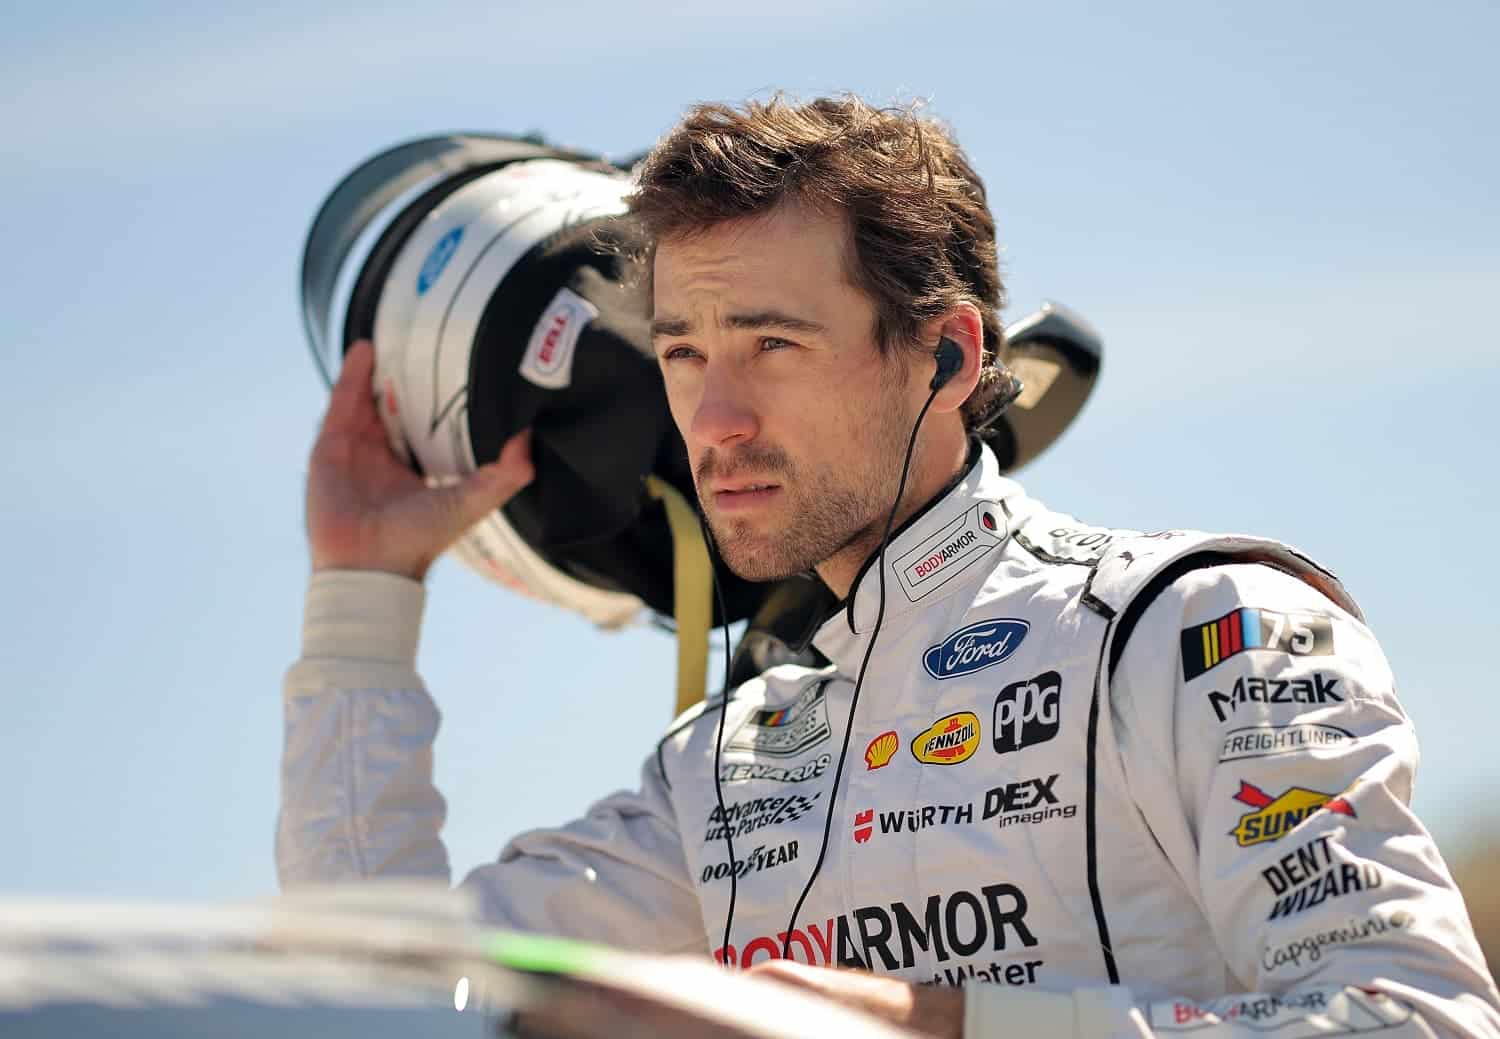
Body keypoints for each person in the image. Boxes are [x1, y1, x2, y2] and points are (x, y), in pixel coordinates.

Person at [279, 95, 1500, 1038]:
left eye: (772, 342)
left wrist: (934, 1022)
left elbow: (1415, 1020)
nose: (716, 419)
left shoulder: (1200, 628)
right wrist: (363, 591)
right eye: (686, 352)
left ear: (945, 355)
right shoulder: (721, 768)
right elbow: (382, 1002)